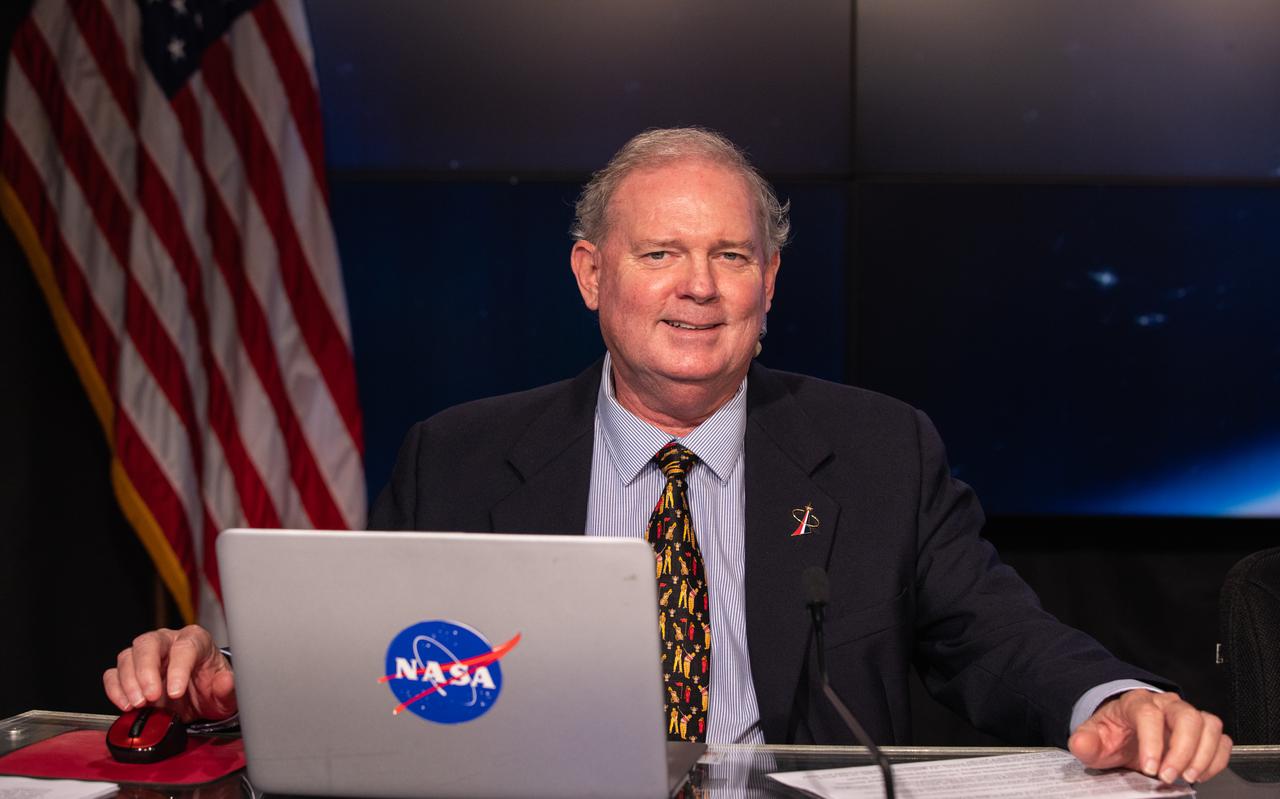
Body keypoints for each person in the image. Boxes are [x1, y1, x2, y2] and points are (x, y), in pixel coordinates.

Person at [104, 128, 1232, 784]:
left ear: (768, 285)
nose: (697, 285)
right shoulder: (463, 453)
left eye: (730, 254)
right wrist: (223, 667)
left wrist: (1115, 693)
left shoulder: (879, 447)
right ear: (593, 277)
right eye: (660, 252)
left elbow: (996, 632)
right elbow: (372, 653)